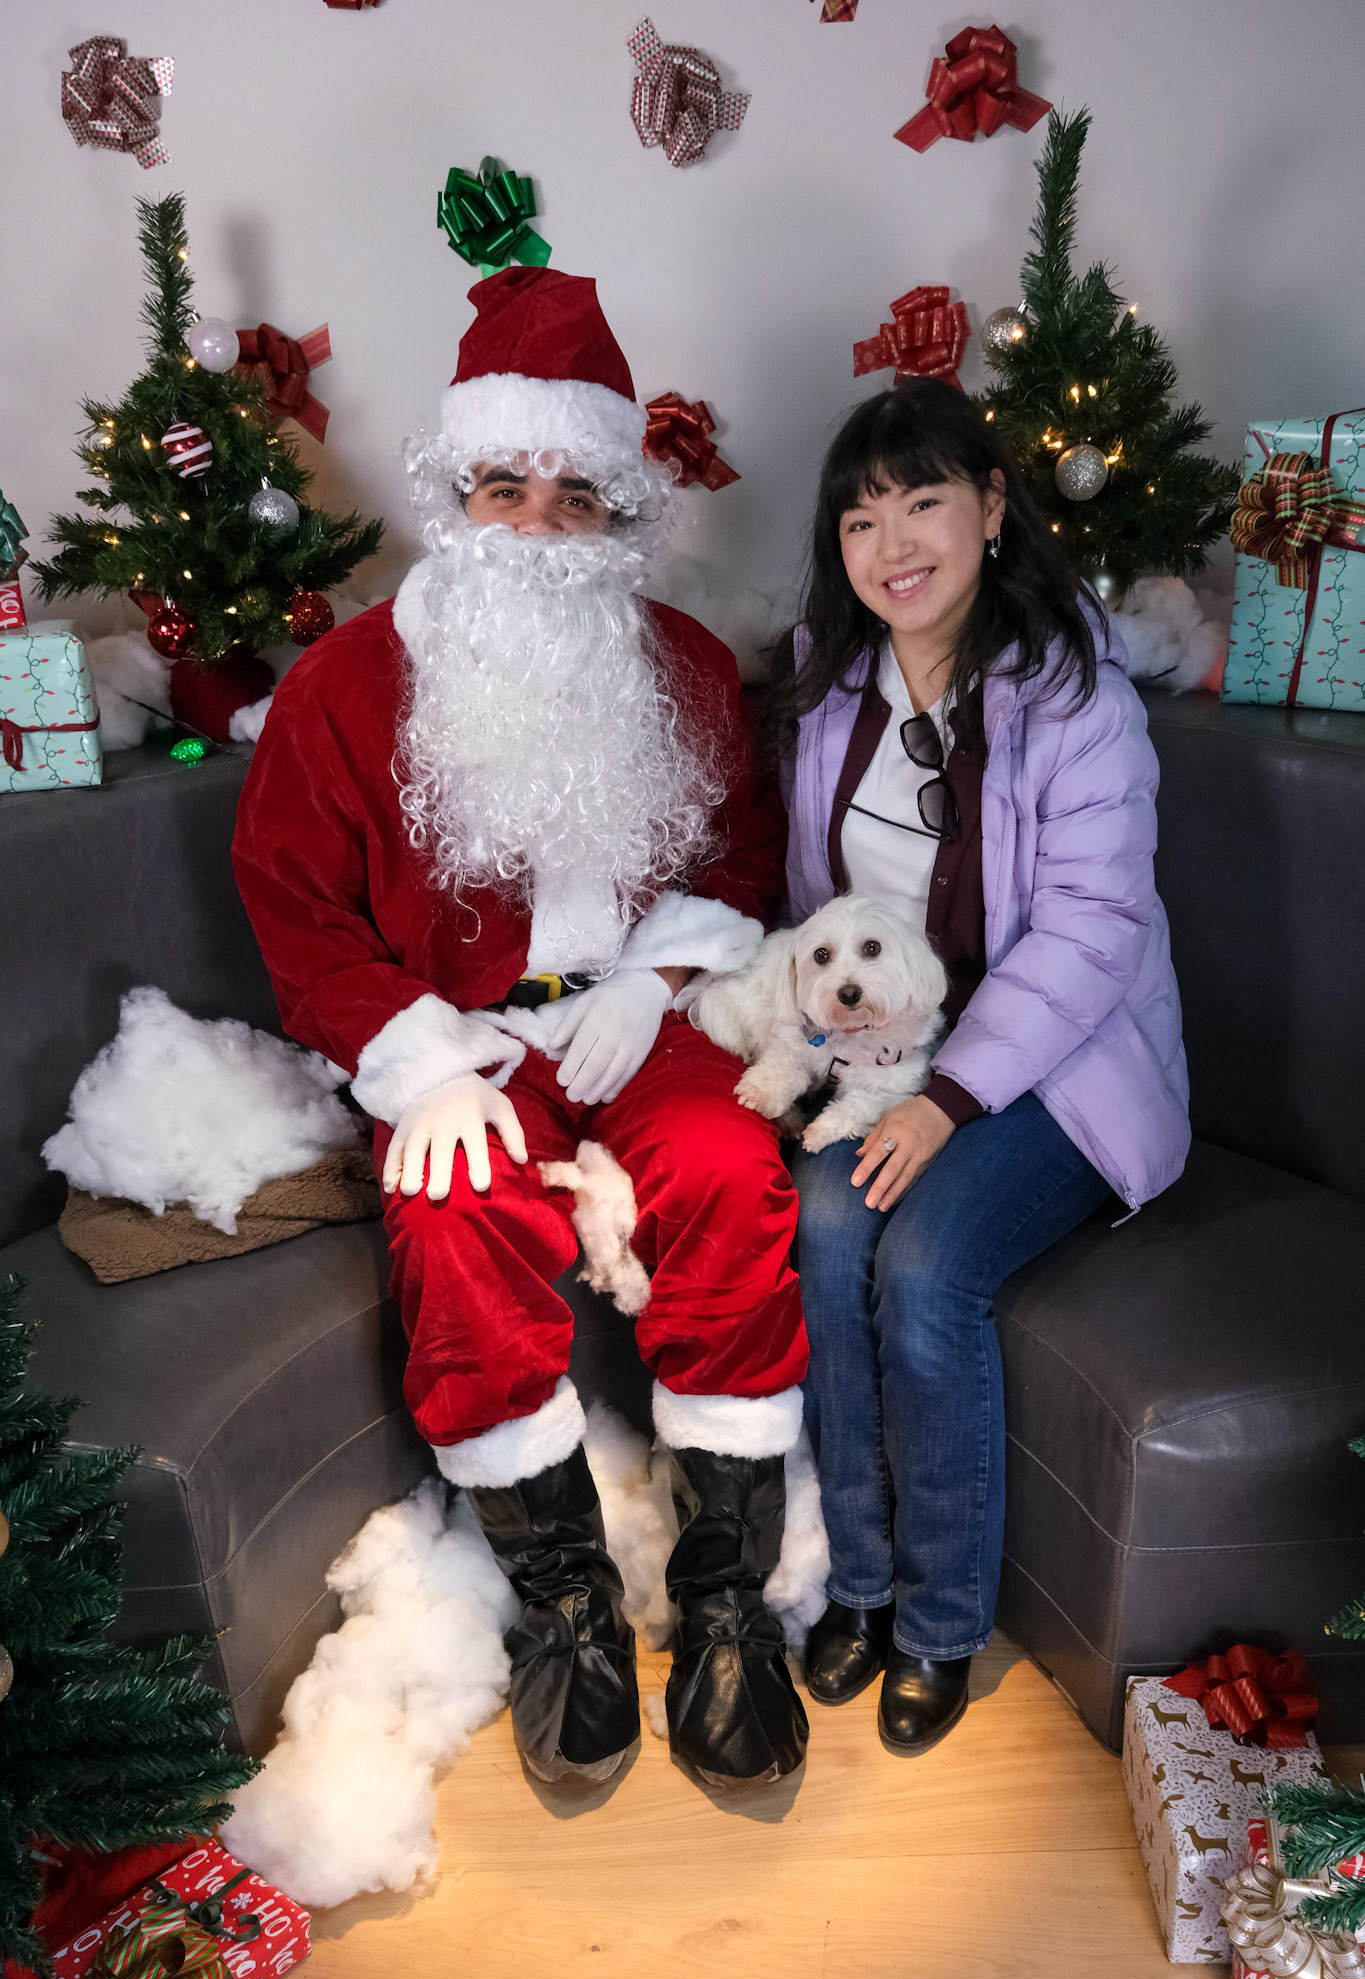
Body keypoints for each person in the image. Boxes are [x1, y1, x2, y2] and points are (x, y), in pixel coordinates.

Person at [233, 267, 809, 1793]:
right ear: (459, 496)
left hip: (639, 1018)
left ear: (622, 510)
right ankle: (565, 1600)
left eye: (576, 493)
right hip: (460, 1038)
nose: (540, 524)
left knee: (726, 1168)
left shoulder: (686, 666)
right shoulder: (347, 687)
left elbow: (740, 863)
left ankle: (726, 1594)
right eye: (506, 488)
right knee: (452, 1206)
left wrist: (655, 982)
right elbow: (296, 905)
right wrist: (416, 1062)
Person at [767, 378, 1189, 1756]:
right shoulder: (831, 687)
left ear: (993, 508)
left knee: (927, 1267)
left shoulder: (1077, 696)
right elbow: (817, 907)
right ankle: (861, 1582)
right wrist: (831, 1054)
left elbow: (1092, 928)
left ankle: (941, 1622)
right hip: (894, 1057)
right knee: (828, 1228)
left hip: (1059, 1064)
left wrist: (948, 1101)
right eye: (860, 518)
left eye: (923, 502)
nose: (892, 543)